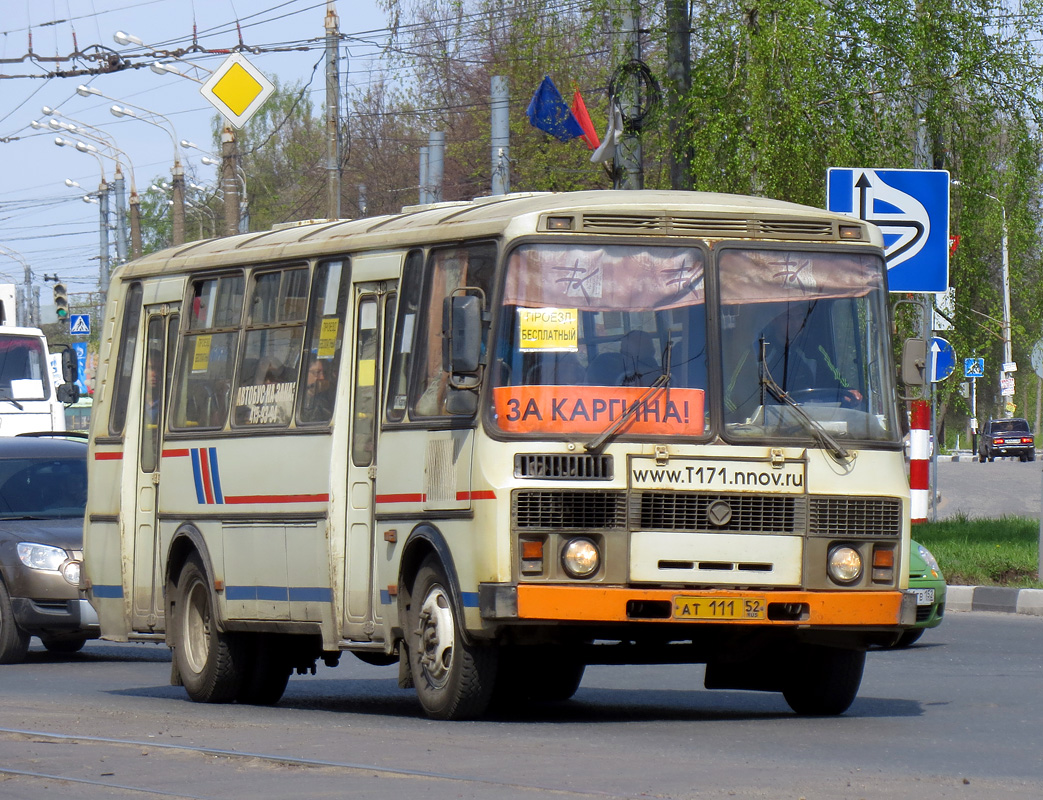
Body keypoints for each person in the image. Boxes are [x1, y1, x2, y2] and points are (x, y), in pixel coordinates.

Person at [300, 358, 334, 422]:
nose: (322, 377)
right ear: (304, 374)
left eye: (324, 373)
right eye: (317, 373)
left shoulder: (329, 397)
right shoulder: (296, 398)